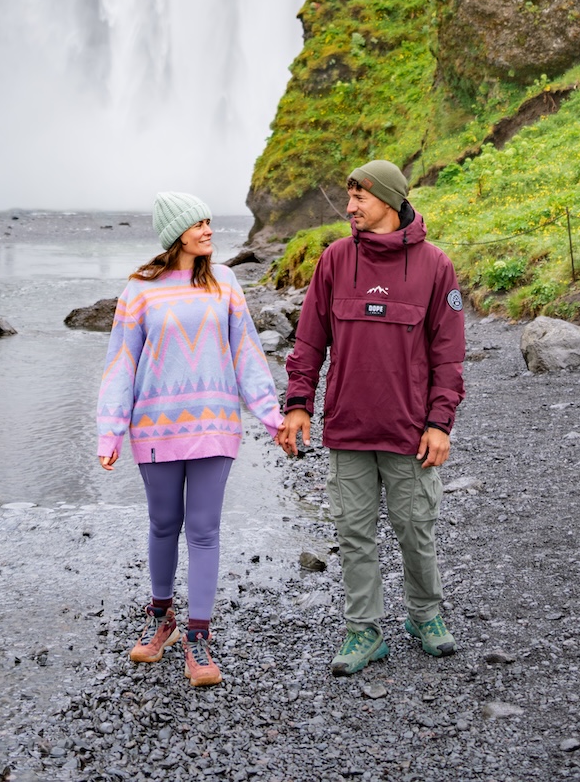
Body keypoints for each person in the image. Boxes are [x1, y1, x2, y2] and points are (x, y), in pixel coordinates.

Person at [279, 159, 465, 676]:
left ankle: (424, 616)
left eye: (360, 197)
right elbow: (309, 341)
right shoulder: (335, 260)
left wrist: (440, 423)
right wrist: (298, 404)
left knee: (416, 528)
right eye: (350, 196)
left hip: (411, 432)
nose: (350, 206)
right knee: (354, 532)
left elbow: (449, 355)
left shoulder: (435, 266)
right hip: (349, 428)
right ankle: (364, 630)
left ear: (388, 199)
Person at [97, 191, 283, 686]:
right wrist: (110, 430)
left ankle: (198, 639)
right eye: (198, 223)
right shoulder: (140, 288)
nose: (208, 230)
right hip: (155, 427)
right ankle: (162, 620)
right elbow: (121, 363)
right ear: (176, 233)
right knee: (163, 525)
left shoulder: (225, 281)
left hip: (214, 424)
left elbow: (247, 353)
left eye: (208, 222)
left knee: (203, 530)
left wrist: (272, 416)